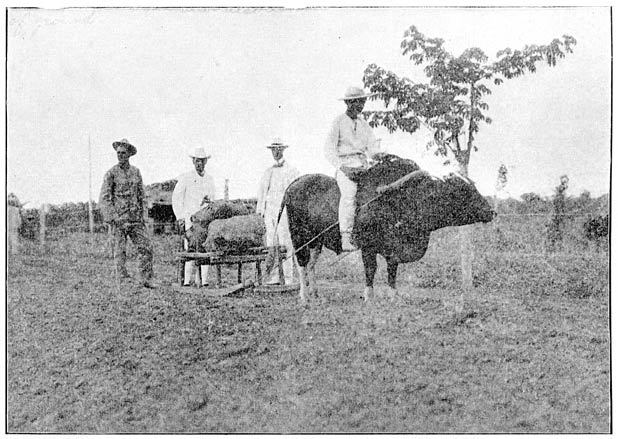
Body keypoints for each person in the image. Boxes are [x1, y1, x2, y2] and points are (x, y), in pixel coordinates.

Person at [324, 86, 384, 251]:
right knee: (349, 196)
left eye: (363, 101)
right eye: (358, 102)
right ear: (349, 103)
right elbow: (328, 150)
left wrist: (379, 155)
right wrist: (343, 168)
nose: (361, 105)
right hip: (346, 166)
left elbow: (372, 147)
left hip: (363, 166)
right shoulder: (338, 122)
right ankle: (346, 236)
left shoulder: (364, 124)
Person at [99, 139, 158, 288]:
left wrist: (144, 216)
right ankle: (122, 281)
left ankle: (146, 279)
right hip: (119, 220)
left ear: (129, 154)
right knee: (120, 252)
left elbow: (141, 195)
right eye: (118, 153)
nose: (120, 155)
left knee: (146, 247)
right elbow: (104, 198)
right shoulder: (111, 173)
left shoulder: (136, 172)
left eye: (123, 153)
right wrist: (113, 217)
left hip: (135, 219)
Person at [256, 138, 300, 284]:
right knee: (272, 244)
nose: (276, 152)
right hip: (270, 212)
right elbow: (262, 193)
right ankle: (274, 277)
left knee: (286, 243)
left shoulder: (292, 170)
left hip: (285, 212)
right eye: (273, 149)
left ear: (283, 150)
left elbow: (295, 193)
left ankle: (288, 278)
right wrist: (260, 212)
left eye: (278, 149)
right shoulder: (268, 172)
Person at [172, 147, 216, 287]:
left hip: (205, 221)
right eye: (197, 161)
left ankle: (203, 281)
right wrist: (180, 217)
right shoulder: (186, 178)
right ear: (193, 161)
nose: (200, 164)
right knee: (190, 248)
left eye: (202, 161)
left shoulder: (209, 179)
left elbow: (213, 198)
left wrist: (209, 200)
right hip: (190, 220)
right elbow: (176, 198)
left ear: (206, 162)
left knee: (205, 248)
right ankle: (186, 281)